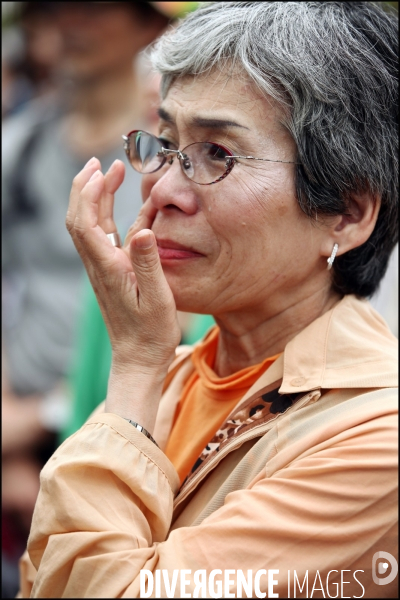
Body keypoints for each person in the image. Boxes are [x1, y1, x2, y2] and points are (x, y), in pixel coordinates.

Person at [20, 2, 397, 598]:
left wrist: (137, 363)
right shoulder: (180, 374)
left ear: (346, 214)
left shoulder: (378, 439)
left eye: (218, 154)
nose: (164, 189)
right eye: (164, 142)